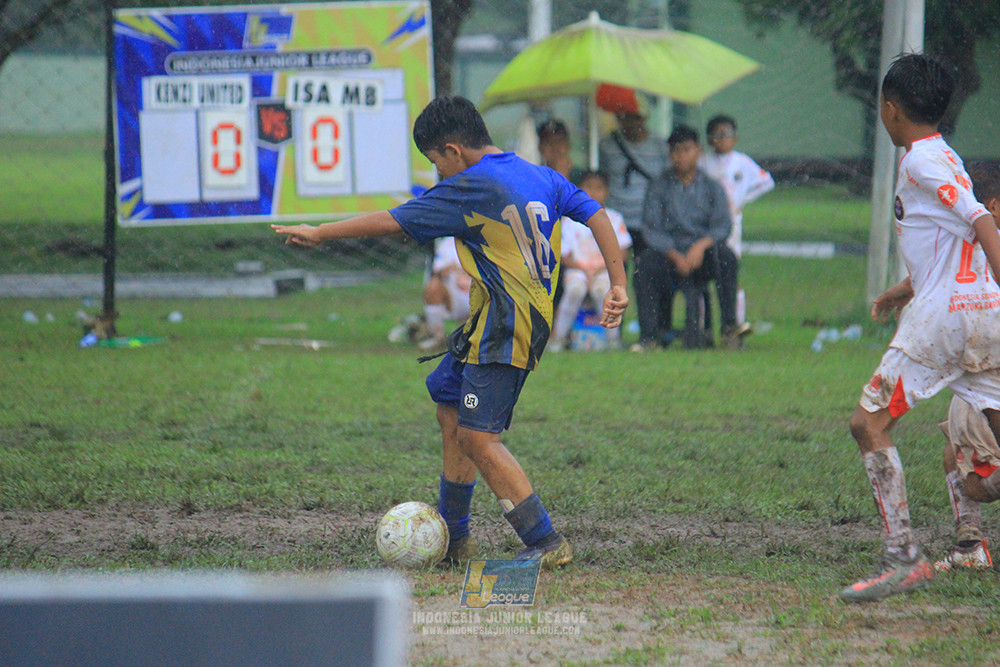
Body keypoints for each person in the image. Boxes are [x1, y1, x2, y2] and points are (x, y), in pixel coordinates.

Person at [272, 96, 629, 569]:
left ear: (453, 150)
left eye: (435, 160)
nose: (438, 171)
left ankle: (546, 541)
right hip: (493, 320)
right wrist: (618, 283)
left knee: (480, 438)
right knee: (448, 406)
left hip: (508, 326)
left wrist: (320, 233)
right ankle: (455, 539)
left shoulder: (469, 185)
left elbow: (393, 220)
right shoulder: (535, 172)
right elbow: (596, 214)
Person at [841, 54, 1000, 602]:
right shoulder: (948, 154)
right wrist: (903, 288)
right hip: (984, 311)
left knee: (869, 425)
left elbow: (980, 221)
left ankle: (904, 557)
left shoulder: (917, 163)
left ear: (889, 109)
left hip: (946, 321)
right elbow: (953, 238)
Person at [933, 163, 1000, 573]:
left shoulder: (973, 244)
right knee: (952, 454)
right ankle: (969, 546)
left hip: (984, 367)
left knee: (973, 473)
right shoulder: (969, 243)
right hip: (977, 367)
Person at [633, 124, 732, 350]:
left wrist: (700, 246)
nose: (681, 156)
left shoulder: (711, 187)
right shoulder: (659, 186)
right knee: (644, 265)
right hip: (669, 254)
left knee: (726, 258)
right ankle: (650, 336)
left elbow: (722, 225)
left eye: (687, 150)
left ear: (698, 151)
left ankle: (729, 329)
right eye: (676, 151)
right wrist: (675, 255)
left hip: (702, 254)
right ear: (670, 154)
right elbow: (651, 227)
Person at [698, 114, 774, 344]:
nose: (723, 140)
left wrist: (741, 200)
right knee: (703, 274)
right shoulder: (703, 162)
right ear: (710, 139)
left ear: (736, 137)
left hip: (732, 224)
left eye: (728, 134)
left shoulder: (742, 162)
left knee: (731, 273)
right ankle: (703, 327)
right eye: (718, 135)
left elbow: (766, 182)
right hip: (706, 225)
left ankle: (735, 325)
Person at [550, 171, 632, 351]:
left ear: (607, 192)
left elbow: (623, 252)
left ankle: (612, 339)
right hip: (577, 270)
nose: (593, 193)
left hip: (604, 270)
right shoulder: (569, 221)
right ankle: (558, 337)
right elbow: (564, 255)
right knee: (574, 290)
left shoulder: (614, 218)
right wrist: (584, 270)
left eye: (599, 188)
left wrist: (596, 270)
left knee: (603, 292)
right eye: (588, 188)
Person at [597, 85, 670, 256]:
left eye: (634, 117)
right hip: (616, 215)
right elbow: (604, 177)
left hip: (648, 218)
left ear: (644, 118)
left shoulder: (660, 146)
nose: (630, 123)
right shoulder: (607, 145)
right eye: (624, 117)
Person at [418, 236, 472, 351]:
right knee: (433, 286)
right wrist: (451, 269)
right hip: (456, 295)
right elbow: (438, 271)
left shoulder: (487, 237)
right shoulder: (448, 243)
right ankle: (438, 337)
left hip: (484, 294)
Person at [537, 118, 585, 184]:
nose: (555, 146)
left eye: (559, 141)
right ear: (540, 147)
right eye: (548, 141)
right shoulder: (535, 176)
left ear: (568, 145)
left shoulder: (583, 177)